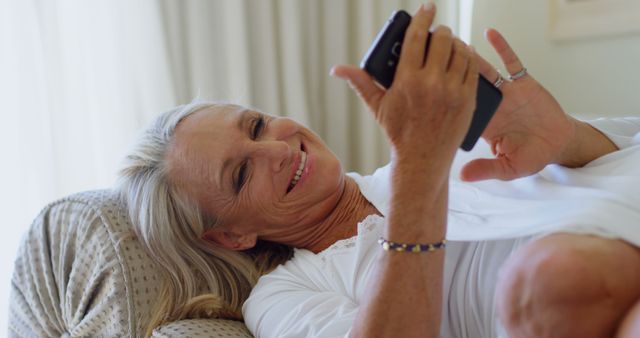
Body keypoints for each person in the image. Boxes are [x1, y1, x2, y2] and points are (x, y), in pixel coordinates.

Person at [117, 3, 640, 338]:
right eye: (240, 174)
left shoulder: (451, 153)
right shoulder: (285, 297)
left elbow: (623, 155)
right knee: (554, 281)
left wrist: (565, 139)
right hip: (585, 300)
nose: (275, 149)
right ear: (232, 234)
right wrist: (419, 171)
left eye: (256, 126)